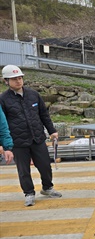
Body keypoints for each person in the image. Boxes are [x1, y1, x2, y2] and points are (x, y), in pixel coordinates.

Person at [0, 65, 61, 207]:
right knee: (23, 170)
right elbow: (1, 123)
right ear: (6, 81)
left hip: (37, 137)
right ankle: (29, 193)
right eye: (14, 79)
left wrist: (52, 130)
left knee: (45, 165)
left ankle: (47, 188)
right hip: (18, 141)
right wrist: (4, 143)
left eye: (20, 78)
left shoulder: (33, 95)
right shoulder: (3, 99)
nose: (18, 81)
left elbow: (43, 115)